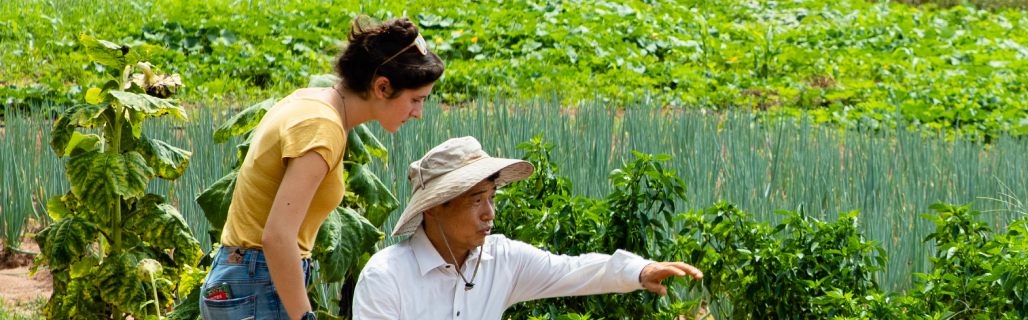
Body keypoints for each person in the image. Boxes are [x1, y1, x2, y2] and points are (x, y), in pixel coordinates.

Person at [200, 16, 442, 320]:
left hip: (246, 277)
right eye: (416, 100)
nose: (418, 113)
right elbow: (277, 236)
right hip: (258, 282)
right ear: (382, 87)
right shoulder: (322, 127)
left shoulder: (311, 102)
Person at [354, 137, 705, 319]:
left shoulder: (501, 260)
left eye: (492, 197)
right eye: (476, 200)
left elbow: (573, 269)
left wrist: (640, 270)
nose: (489, 213)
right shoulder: (387, 277)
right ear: (435, 208)